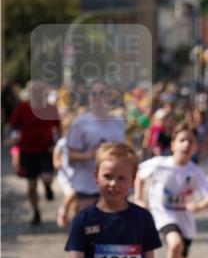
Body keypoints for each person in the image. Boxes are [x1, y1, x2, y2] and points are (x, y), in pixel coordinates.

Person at [135, 125, 208, 258]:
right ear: (173, 144)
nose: (186, 144)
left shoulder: (195, 172)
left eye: (191, 141)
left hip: (185, 220)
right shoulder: (160, 164)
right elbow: (139, 174)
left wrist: (198, 206)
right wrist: (138, 199)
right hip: (163, 215)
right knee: (175, 244)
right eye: (182, 140)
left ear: (196, 147)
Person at [66, 82, 126, 213]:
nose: (97, 97)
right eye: (94, 94)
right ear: (89, 97)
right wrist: (91, 155)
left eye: (102, 93)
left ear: (109, 97)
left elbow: (123, 151)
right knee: (87, 228)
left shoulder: (118, 122)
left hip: (112, 185)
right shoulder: (80, 123)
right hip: (86, 184)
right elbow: (70, 156)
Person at [9, 81, 60, 226]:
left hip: (46, 150)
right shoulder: (23, 108)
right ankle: (36, 211)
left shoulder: (50, 108)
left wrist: (58, 144)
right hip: (27, 151)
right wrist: (15, 149)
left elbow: (58, 126)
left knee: (46, 177)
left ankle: (48, 187)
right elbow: (13, 127)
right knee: (31, 185)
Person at [53, 115, 77, 228]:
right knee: (73, 192)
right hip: (65, 175)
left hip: (76, 174)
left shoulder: (78, 143)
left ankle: (77, 219)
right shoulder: (62, 143)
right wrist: (57, 163)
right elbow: (56, 156)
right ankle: (63, 209)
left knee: (76, 201)